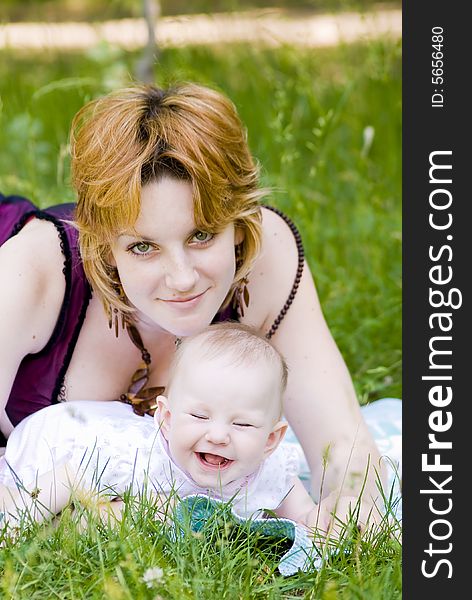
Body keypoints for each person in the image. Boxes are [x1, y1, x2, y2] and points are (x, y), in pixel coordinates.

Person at [0, 81, 386, 528]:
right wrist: (93, 519)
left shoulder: (264, 260)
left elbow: (345, 452)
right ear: (105, 246)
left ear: (239, 226)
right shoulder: (31, 275)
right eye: (144, 246)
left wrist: (343, 523)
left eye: (200, 236)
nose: (182, 278)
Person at [0, 323, 359, 536]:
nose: (218, 435)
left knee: (151, 514)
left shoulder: (272, 471)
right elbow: (68, 476)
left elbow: (305, 521)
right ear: (168, 420)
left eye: (242, 423)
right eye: (200, 417)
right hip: (56, 446)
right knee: (78, 517)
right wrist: (14, 527)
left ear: (270, 440)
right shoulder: (131, 457)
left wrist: (330, 523)